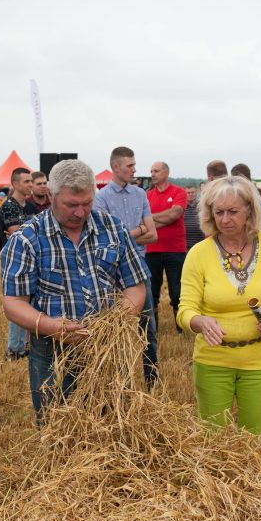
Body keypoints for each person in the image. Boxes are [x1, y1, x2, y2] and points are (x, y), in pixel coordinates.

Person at [1, 159, 147, 422]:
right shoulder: (27, 238)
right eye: (71, 205)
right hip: (52, 350)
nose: (80, 212)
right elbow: (13, 302)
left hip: (108, 350)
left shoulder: (112, 228)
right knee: (56, 424)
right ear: (51, 196)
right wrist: (51, 326)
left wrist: (115, 320)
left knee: (114, 423)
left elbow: (135, 285)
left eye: (87, 203)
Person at [177, 176, 261, 433]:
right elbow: (185, 309)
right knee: (214, 439)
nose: (224, 219)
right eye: (218, 212)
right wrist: (199, 321)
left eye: (233, 211)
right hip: (212, 360)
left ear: (250, 211)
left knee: (254, 437)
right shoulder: (198, 253)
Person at [94, 146, 160, 388]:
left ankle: (153, 382)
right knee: (117, 330)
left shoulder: (140, 194)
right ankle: (122, 384)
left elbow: (152, 235)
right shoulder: (101, 198)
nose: (134, 169)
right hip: (113, 274)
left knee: (147, 330)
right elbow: (105, 241)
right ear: (115, 167)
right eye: (130, 166)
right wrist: (138, 231)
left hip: (140, 269)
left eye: (134, 165)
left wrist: (127, 235)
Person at [145, 161, 187, 332]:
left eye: (156, 171)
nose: (152, 174)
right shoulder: (147, 195)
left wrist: (151, 220)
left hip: (175, 249)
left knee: (177, 291)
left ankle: (180, 329)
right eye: (151, 171)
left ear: (166, 173)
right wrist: (164, 218)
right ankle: (154, 329)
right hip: (151, 249)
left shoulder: (179, 192)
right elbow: (144, 219)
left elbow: (175, 214)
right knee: (152, 292)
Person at [1, 167, 35, 359]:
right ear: (15, 184)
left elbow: (27, 233)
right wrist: (23, 232)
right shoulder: (9, 206)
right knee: (17, 301)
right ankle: (14, 349)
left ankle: (25, 345)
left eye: (31, 181)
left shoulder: (30, 207)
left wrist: (23, 232)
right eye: (26, 181)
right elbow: (16, 234)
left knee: (29, 302)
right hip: (14, 261)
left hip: (30, 260)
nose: (30, 185)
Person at [183, 185, 204, 251]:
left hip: (200, 243)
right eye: (188, 193)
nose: (191, 194)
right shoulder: (181, 207)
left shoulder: (201, 206)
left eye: (193, 192)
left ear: (196, 193)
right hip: (186, 244)